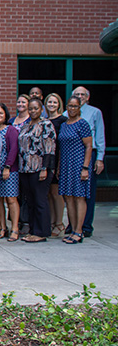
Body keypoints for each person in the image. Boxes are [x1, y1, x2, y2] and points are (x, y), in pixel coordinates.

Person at [66, 86, 105, 238]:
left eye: (82, 95)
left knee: (84, 194)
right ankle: (73, 225)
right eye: (77, 95)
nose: (80, 97)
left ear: (87, 97)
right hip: (68, 159)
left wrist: (99, 158)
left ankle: (85, 226)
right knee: (69, 194)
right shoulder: (65, 117)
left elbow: (97, 138)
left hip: (86, 157)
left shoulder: (94, 113)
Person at [17, 98, 56, 243]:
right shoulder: (26, 126)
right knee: (31, 201)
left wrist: (45, 168)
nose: (33, 111)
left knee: (40, 201)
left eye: (35, 108)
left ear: (41, 109)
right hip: (25, 169)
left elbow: (50, 148)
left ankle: (42, 232)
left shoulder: (46, 124)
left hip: (39, 169)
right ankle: (33, 230)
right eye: (31, 108)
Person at [58, 96, 93, 245]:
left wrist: (85, 167)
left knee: (79, 197)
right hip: (66, 165)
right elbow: (61, 148)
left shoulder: (83, 124)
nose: (72, 109)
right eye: (70, 106)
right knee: (68, 197)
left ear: (79, 108)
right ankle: (72, 230)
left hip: (79, 164)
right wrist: (59, 166)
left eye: (75, 106)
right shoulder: (64, 125)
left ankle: (79, 231)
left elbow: (89, 146)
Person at [0, 103, 20, 241]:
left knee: (11, 199)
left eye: (1, 113)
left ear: (5, 115)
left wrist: (7, 166)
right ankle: (2, 227)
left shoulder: (10, 130)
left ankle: (14, 228)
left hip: (9, 170)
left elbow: (13, 149)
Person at [45, 93, 67, 237]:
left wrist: (59, 164)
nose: (52, 105)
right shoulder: (44, 120)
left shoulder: (63, 120)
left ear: (59, 104)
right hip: (47, 160)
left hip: (58, 159)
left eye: (54, 102)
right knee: (48, 194)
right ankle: (52, 222)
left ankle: (59, 223)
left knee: (56, 193)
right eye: (49, 102)